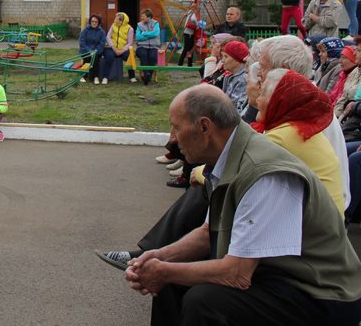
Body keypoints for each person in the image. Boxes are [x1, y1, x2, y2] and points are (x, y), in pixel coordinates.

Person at [97, 34, 351, 271]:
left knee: (211, 182)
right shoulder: (302, 102)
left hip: (307, 225)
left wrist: (202, 172)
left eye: (261, 68)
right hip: (298, 209)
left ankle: (163, 257)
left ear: (279, 70)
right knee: (210, 179)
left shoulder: (298, 118)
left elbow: (249, 158)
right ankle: (160, 255)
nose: (256, 74)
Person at [124, 84, 361, 326]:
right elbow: (208, 233)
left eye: (176, 127)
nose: (172, 138)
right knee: (173, 278)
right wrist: (159, 257)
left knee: (205, 301)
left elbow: (237, 274)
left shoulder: (264, 173)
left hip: (321, 294)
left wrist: (163, 271)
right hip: (278, 277)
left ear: (205, 127)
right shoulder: (227, 158)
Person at [253, 68, 345, 214]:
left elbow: (234, 171)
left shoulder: (283, 136)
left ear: (278, 100)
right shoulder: (300, 127)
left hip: (315, 231)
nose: (258, 98)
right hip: (328, 224)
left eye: (263, 93)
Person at [103, 12, 136, 83]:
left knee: (130, 56)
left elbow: (130, 43)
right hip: (111, 48)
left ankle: (132, 76)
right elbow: (108, 37)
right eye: (115, 19)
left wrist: (122, 50)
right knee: (109, 56)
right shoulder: (113, 25)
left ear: (122, 21)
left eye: (117, 19)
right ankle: (105, 77)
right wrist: (114, 48)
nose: (115, 21)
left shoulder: (130, 29)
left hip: (123, 49)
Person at [220, 40, 249, 111]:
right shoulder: (234, 76)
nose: (222, 60)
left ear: (237, 60)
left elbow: (235, 109)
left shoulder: (243, 80)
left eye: (226, 57)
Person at [135, 9, 161, 85]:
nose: (141, 18)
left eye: (143, 16)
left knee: (153, 56)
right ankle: (147, 74)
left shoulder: (155, 23)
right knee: (143, 54)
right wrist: (149, 36)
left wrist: (144, 33)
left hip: (154, 46)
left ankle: (148, 75)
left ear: (149, 17)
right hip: (142, 46)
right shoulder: (139, 25)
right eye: (141, 16)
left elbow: (156, 33)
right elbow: (138, 37)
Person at [78, 13, 107, 84]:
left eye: (96, 22)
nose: (94, 23)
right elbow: (82, 43)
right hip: (86, 50)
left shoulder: (102, 32)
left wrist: (95, 51)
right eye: (92, 21)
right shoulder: (85, 31)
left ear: (99, 22)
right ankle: (84, 75)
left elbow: (102, 43)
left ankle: (95, 77)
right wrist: (89, 51)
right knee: (87, 57)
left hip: (97, 51)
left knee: (95, 58)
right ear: (90, 22)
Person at [177, 1, 202, 68]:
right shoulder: (192, 14)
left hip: (188, 33)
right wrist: (197, 24)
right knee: (187, 49)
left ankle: (189, 63)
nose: (197, 12)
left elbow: (186, 15)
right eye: (197, 11)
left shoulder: (190, 12)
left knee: (190, 49)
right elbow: (193, 20)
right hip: (189, 33)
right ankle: (180, 62)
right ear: (195, 10)